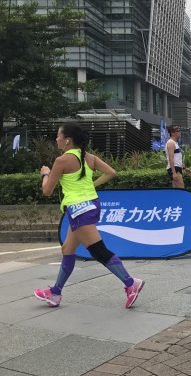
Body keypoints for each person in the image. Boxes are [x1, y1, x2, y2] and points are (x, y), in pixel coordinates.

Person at [34, 122, 145, 308]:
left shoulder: (62, 161)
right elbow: (111, 172)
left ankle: (130, 283)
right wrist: (91, 186)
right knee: (67, 249)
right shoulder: (89, 157)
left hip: (79, 210)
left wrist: (45, 174)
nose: (56, 138)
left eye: (58, 135)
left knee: (98, 251)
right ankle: (55, 293)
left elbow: (46, 190)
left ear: (67, 140)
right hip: (89, 206)